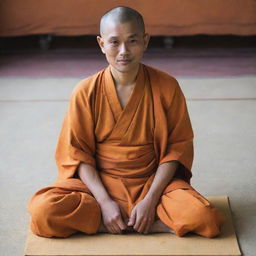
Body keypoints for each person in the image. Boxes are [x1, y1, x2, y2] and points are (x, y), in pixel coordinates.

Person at [28, 6, 225, 238]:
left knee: (204, 217)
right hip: (98, 185)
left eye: (132, 41)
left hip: (151, 182)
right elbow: (76, 154)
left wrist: (151, 200)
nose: (124, 51)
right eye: (114, 42)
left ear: (145, 41)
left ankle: (115, 223)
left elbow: (177, 149)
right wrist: (104, 202)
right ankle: (139, 222)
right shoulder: (85, 91)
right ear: (101, 44)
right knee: (44, 211)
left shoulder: (167, 87)